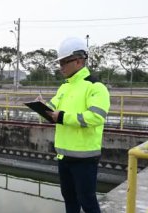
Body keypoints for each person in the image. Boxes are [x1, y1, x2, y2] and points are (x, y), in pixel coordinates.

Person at [37, 37, 110, 213]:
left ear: (78, 61)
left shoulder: (95, 87)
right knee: (69, 200)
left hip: (84, 158)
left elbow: (96, 117)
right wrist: (42, 107)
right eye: (59, 62)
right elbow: (53, 110)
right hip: (64, 156)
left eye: (64, 62)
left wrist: (62, 117)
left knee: (88, 201)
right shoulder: (64, 87)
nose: (60, 66)